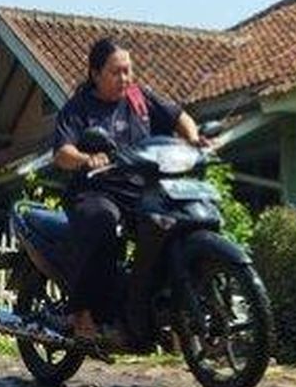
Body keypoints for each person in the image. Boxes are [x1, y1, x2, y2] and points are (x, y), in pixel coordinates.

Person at [52, 37, 207, 343]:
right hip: (96, 190)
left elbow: (180, 117)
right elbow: (62, 153)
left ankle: (160, 309)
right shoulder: (79, 107)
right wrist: (87, 158)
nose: (125, 78)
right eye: (116, 72)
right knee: (103, 223)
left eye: (128, 70)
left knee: (178, 220)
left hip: (141, 189)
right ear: (95, 74)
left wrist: (193, 139)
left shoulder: (139, 97)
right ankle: (82, 312)